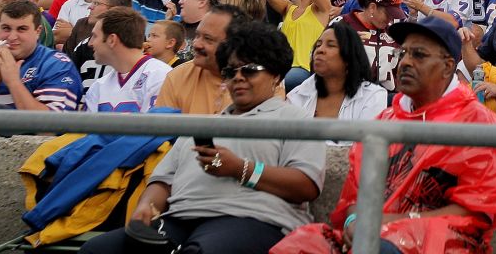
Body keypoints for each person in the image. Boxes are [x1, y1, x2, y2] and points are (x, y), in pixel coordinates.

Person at [79, 21, 325, 254]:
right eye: (231, 71)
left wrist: (239, 169)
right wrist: (146, 207)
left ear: (276, 76)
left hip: (252, 219)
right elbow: (162, 181)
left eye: (250, 69)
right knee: (97, 250)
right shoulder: (203, 123)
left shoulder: (294, 120)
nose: (238, 78)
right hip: (180, 218)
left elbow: (306, 185)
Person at [284, 16, 496, 254]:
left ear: (448, 66)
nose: (405, 62)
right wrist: (354, 222)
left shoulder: (479, 125)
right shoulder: (387, 120)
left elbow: (477, 211)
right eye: (403, 53)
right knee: (299, 245)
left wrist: (390, 223)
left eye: (418, 55)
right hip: (372, 235)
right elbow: (356, 194)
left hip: (443, 243)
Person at [0, 0, 83, 111]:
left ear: (38, 31)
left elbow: (52, 123)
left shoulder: (57, 65)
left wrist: (13, 81)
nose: (12, 37)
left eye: (22, 29)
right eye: (6, 28)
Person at [286, 22, 387, 129]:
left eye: (331, 45)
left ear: (349, 56)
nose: (320, 50)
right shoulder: (298, 95)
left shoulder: (373, 96)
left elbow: (366, 142)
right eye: (318, 45)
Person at [83, 6, 172, 113]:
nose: (90, 43)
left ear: (112, 40)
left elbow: (158, 127)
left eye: (94, 36)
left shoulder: (160, 76)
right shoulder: (99, 86)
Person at [156, 4, 238, 115]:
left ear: (232, 44)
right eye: (197, 36)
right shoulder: (178, 77)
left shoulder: (255, 80)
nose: (196, 44)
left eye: (208, 39)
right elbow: (162, 128)